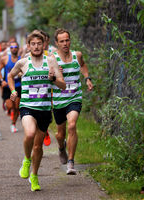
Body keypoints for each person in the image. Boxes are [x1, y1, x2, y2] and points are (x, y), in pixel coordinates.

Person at [8, 30, 66, 191]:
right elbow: (10, 76)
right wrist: (13, 91)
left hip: (45, 109)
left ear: (44, 45)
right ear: (28, 46)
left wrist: (53, 79)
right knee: (29, 134)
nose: (36, 46)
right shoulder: (23, 63)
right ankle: (26, 160)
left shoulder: (51, 61)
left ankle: (34, 175)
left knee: (38, 147)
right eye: (33, 44)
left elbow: (63, 85)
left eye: (39, 44)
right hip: (27, 106)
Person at [52, 28, 93, 175]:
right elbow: (48, 78)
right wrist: (56, 76)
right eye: (61, 41)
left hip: (74, 97)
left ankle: (70, 161)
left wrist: (87, 78)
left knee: (72, 125)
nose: (65, 43)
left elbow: (82, 65)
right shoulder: (52, 59)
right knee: (60, 134)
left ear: (70, 40)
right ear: (56, 43)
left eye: (67, 40)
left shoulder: (77, 55)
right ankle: (61, 147)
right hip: (58, 101)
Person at [0, 41, 21, 133]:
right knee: (10, 106)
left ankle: (13, 124)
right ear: (9, 49)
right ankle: (8, 108)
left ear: (18, 48)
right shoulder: (5, 59)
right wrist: (2, 80)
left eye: (15, 47)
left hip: (18, 86)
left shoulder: (21, 59)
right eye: (11, 47)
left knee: (16, 107)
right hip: (7, 86)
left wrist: (20, 74)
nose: (13, 49)